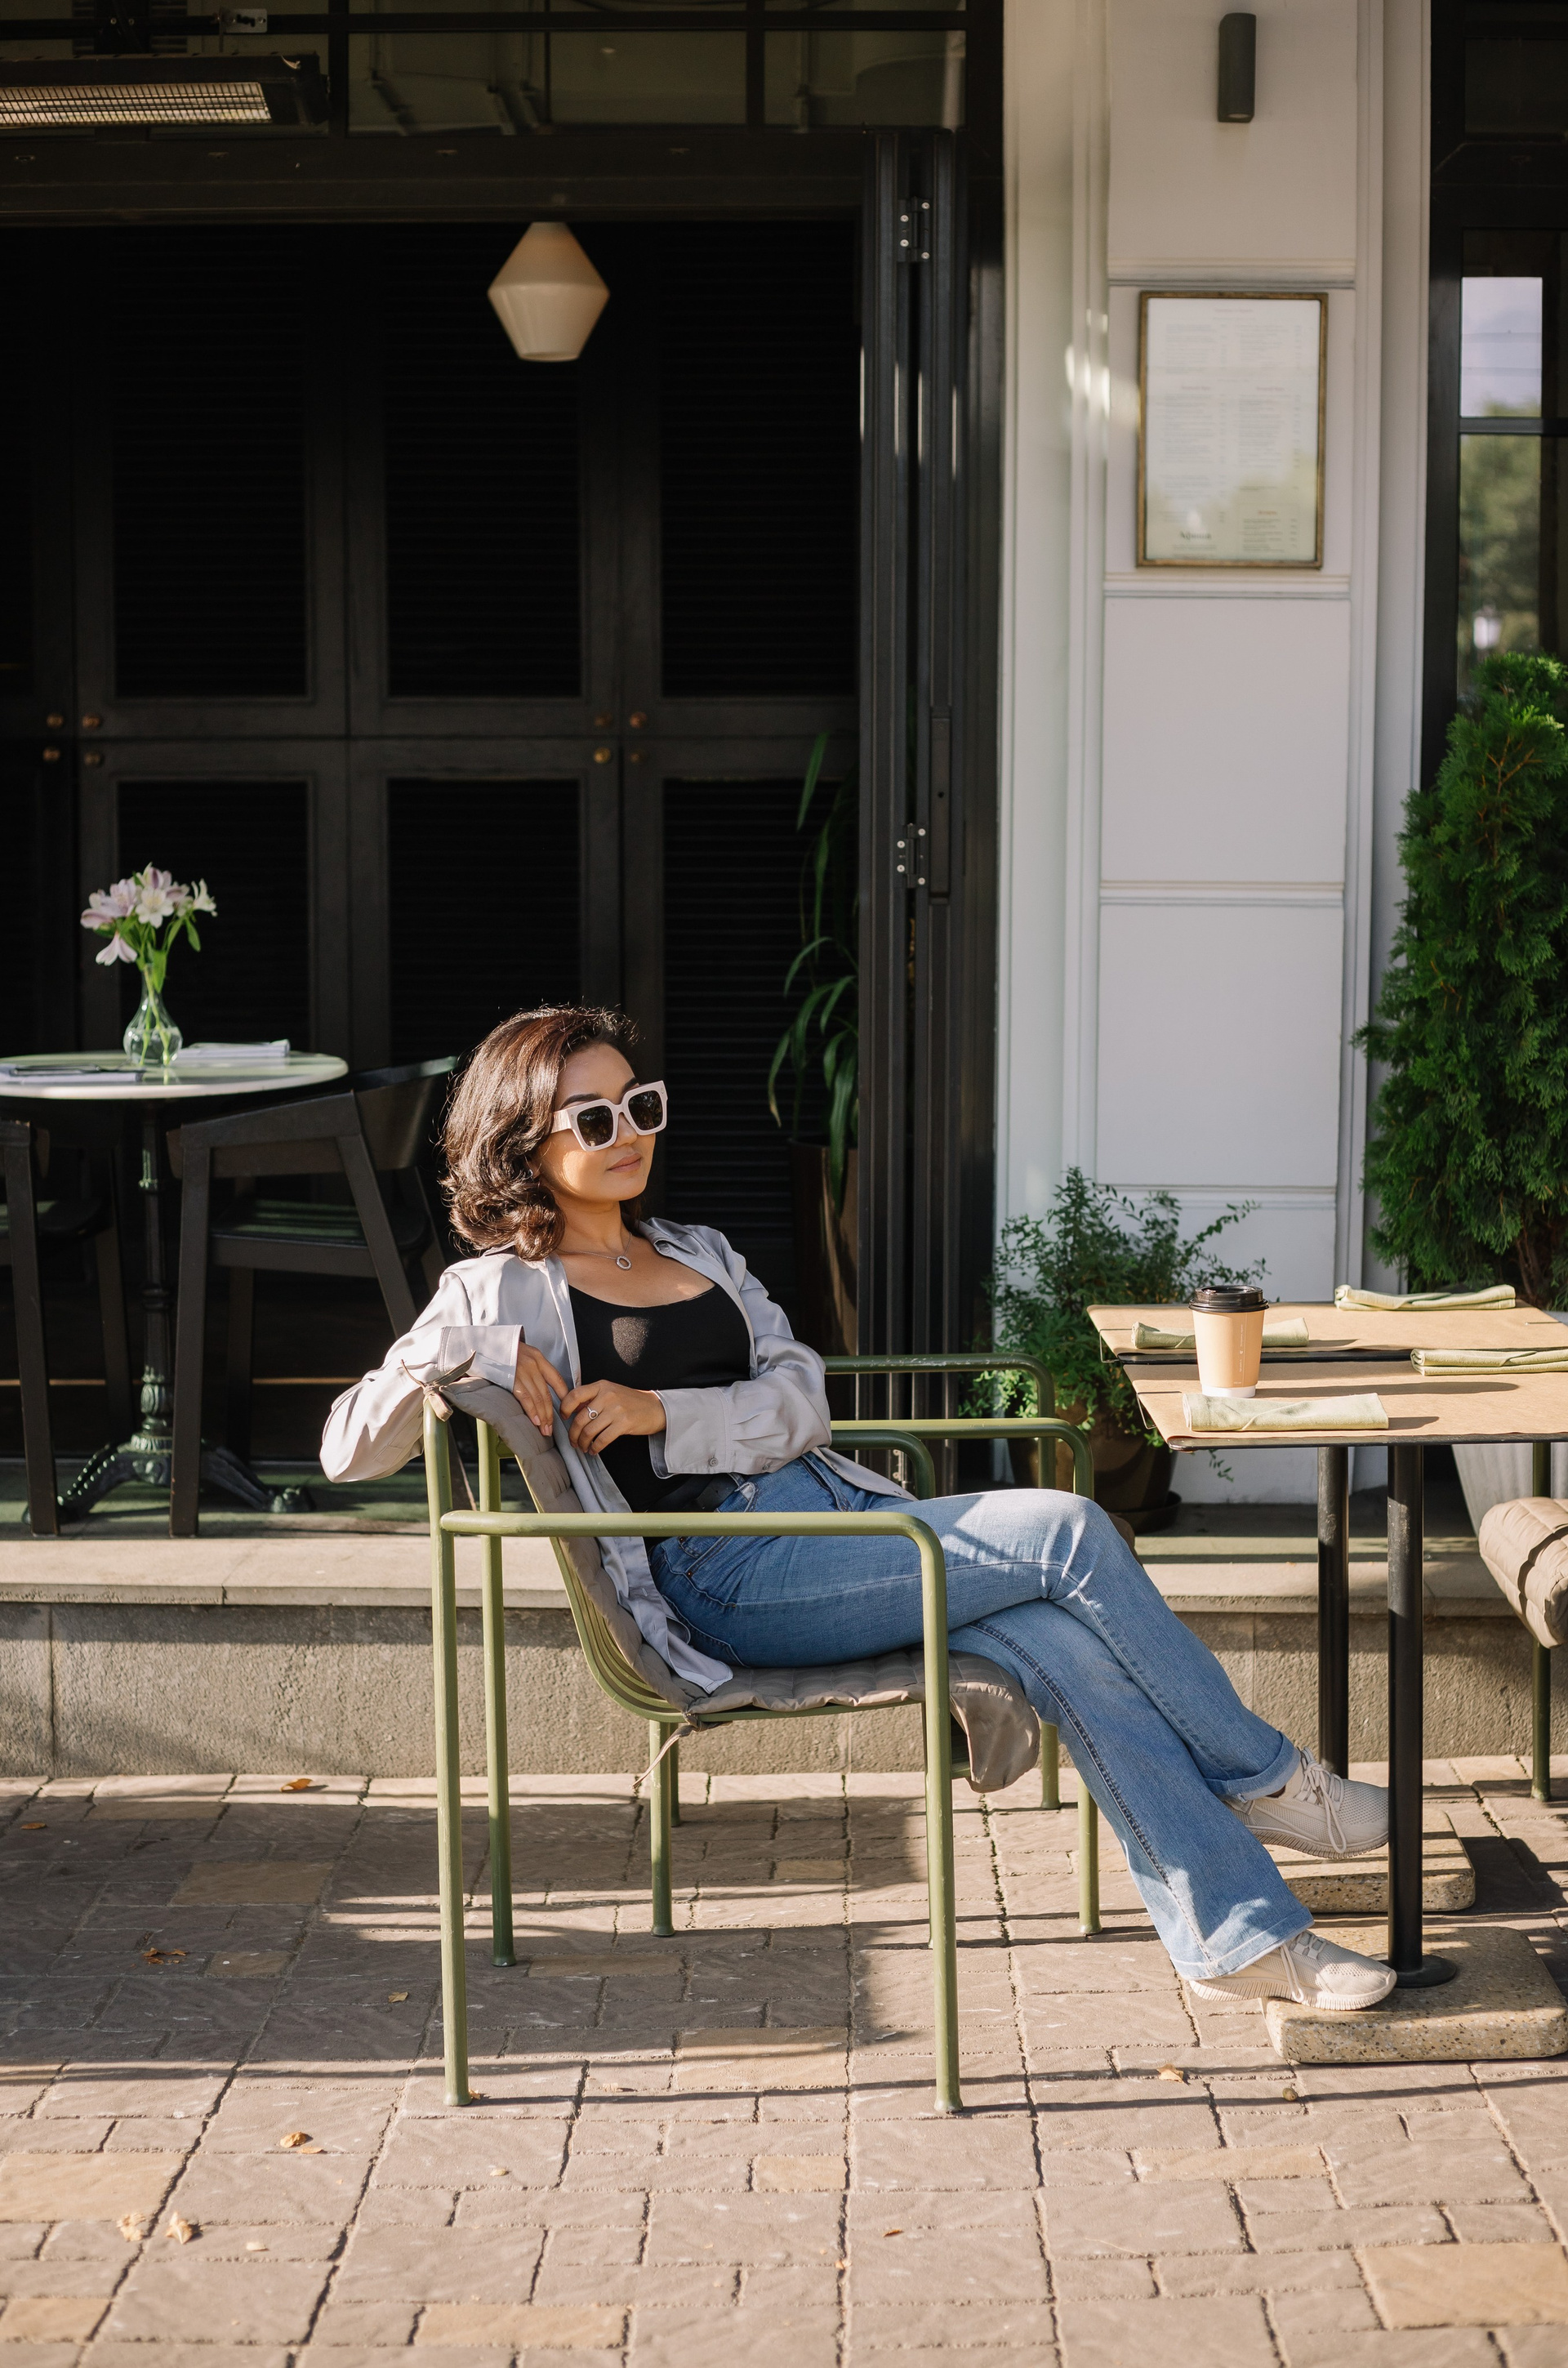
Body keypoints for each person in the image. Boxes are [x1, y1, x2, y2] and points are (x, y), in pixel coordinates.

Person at [323, 1002, 1398, 2012]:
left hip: (829, 1518)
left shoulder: (698, 1252)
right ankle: (1266, 1778)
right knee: (1069, 1529)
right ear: (524, 1142)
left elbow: (803, 1402)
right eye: (593, 1119)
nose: (629, 1134)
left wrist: (663, 1413)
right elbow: (346, 1451)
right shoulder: (497, 1288)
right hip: (726, 1573)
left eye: (640, 1106)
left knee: (1061, 1642)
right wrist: (458, 1350)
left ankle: (1241, 1943)